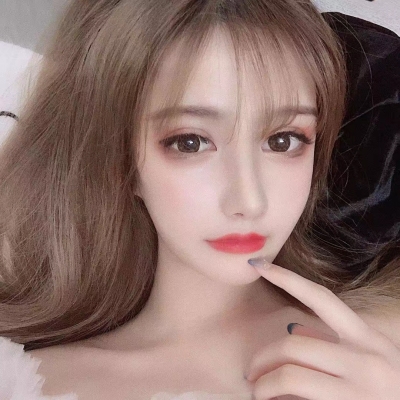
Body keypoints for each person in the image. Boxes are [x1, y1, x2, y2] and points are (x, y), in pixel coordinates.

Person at [0, 0, 399, 399]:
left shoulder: (378, 354)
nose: (249, 200)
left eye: (283, 140)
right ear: (121, 159)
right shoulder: (29, 380)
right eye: (190, 142)